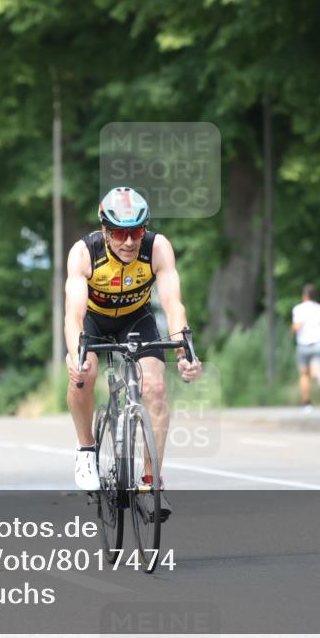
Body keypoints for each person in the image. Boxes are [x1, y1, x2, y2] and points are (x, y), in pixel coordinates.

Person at [64, 187, 202, 523]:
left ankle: (151, 483)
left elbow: (172, 303)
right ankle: (86, 450)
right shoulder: (84, 253)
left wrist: (184, 351)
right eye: (120, 233)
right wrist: (75, 353)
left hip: (136, 320)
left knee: (155, 387)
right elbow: (73, 314)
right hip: (94, 321)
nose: (129, 242)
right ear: (106, 230)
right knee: (84, 374)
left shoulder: (158, 248)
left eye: (136, 232)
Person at [291, 283, 320, 412]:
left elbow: (296, 327)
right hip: (318, 342)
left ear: (304, 295)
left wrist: (292, 332)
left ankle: (307, 403)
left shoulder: (298, 309)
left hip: (303, 344)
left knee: (304, 375)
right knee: (316, 368)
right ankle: (319, 374)